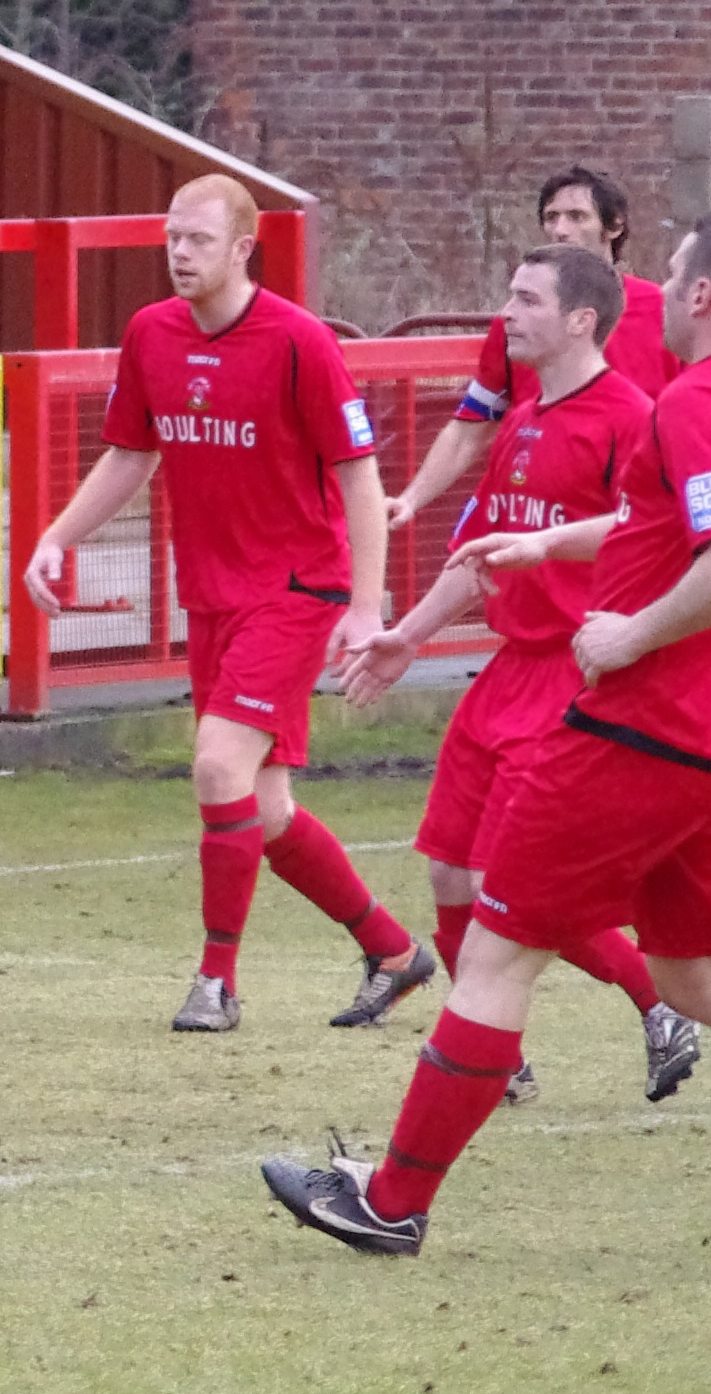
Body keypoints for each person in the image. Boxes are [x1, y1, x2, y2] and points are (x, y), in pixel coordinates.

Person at [268, 214, 711, 1256]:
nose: (656, 288)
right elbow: (680, 523)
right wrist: (550, 540)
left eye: (669, 274)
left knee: (491, 952)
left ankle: (387, 1202)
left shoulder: (697, 398)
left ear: (701, 297)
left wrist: (623, 634)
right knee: (697, 975)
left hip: (646, 728)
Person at [23, 175, 431, 1034]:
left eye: (198, 240)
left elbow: (359, 478)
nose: (178, 254)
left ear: (243, 249)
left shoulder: (298, 342)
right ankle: (394, 953)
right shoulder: (150, 334)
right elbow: (131, 455)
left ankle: (215, 983)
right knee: (265, 808)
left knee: (214, 765)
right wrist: (57, 536)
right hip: (211, 595)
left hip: (294, 589)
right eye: (171, 237)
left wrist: (365, 606)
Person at [337, 244, 699, 1107]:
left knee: (517, 887)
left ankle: (659, 1006)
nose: (505, 312)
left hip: (573, 676)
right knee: (448, 872)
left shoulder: (630, 418)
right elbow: (480, 560)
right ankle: (494, 1049)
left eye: (525, 299)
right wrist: (404, 637)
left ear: (579, 320)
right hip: (504, 672)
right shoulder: (526, 416)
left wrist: (559, 548)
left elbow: (656, 527)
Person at [387, 166, 674, 530]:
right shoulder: (514, 327)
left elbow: (696, 421)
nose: (560, 229)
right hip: (532, 510)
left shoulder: (662, 312)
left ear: (614, 226)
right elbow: (469, 428)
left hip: (626, 516)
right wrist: (410, 499)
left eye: (576, 216)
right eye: (551, 217)